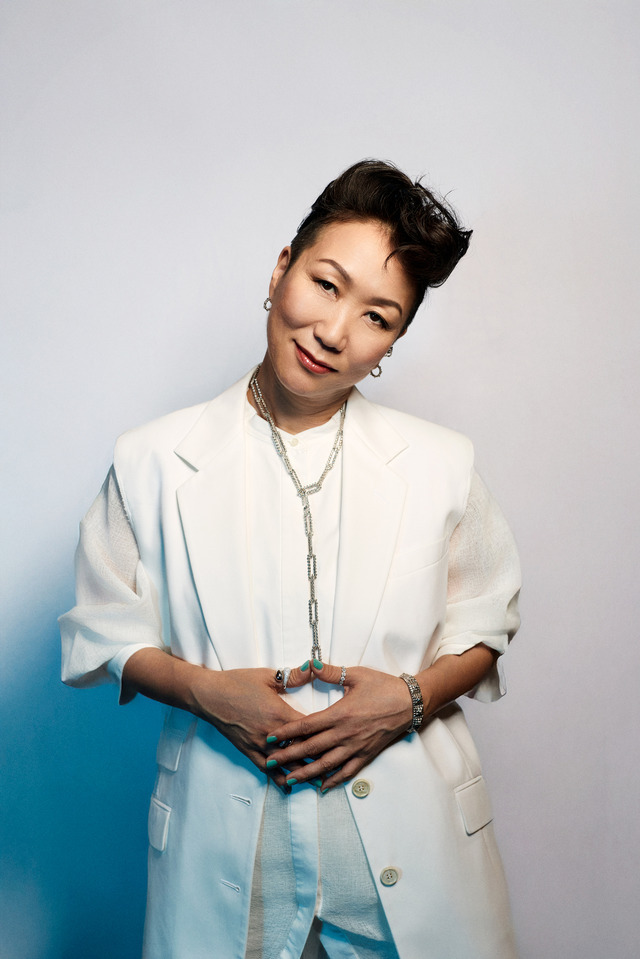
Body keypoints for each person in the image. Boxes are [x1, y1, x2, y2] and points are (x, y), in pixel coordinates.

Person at [60, 160, 521, 959]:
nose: (335, 331)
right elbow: (103, 629)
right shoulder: (152, 460)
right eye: (325, 284)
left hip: (416, 860)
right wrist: (208, 693)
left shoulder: (442, 463)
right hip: (228, 865)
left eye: (376, 316)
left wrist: (406, 700)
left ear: (393, 342)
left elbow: (488, 622)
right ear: (281, 270)